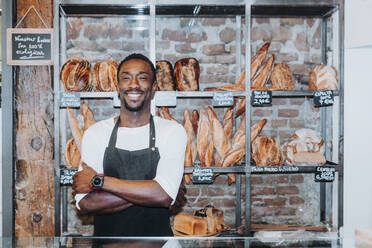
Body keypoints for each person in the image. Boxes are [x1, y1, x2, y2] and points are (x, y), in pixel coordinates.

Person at [72, 53, 187, 237]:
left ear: (154, 87)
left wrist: (99, 181)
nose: (134, 84)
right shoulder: (96, 133)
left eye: (142, 78)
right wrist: (151, 191)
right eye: (126, 78)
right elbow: (86, 203)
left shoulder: (172, 131)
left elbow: (163, 195)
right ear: (118, 87)